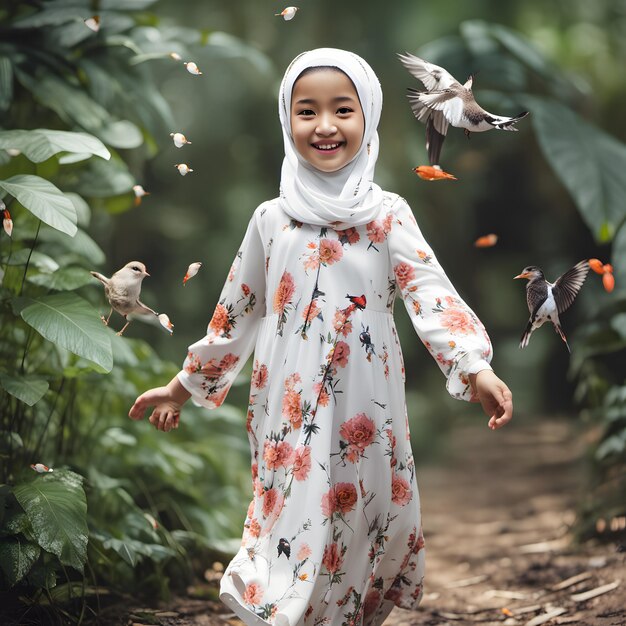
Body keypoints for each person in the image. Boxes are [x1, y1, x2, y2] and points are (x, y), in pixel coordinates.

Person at [129, 47, 513, 626]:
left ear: (370, 117)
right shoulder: (270, 219)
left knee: (360, 518)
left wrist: (475, 369)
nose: (325, 126)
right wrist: (181, 387)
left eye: (343, 109)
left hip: (369, 408)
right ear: (287, 120)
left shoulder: (387, 214)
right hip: (288, 405)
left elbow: (430, 294)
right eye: (307, 111)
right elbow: (236, 311)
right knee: (290, 515)